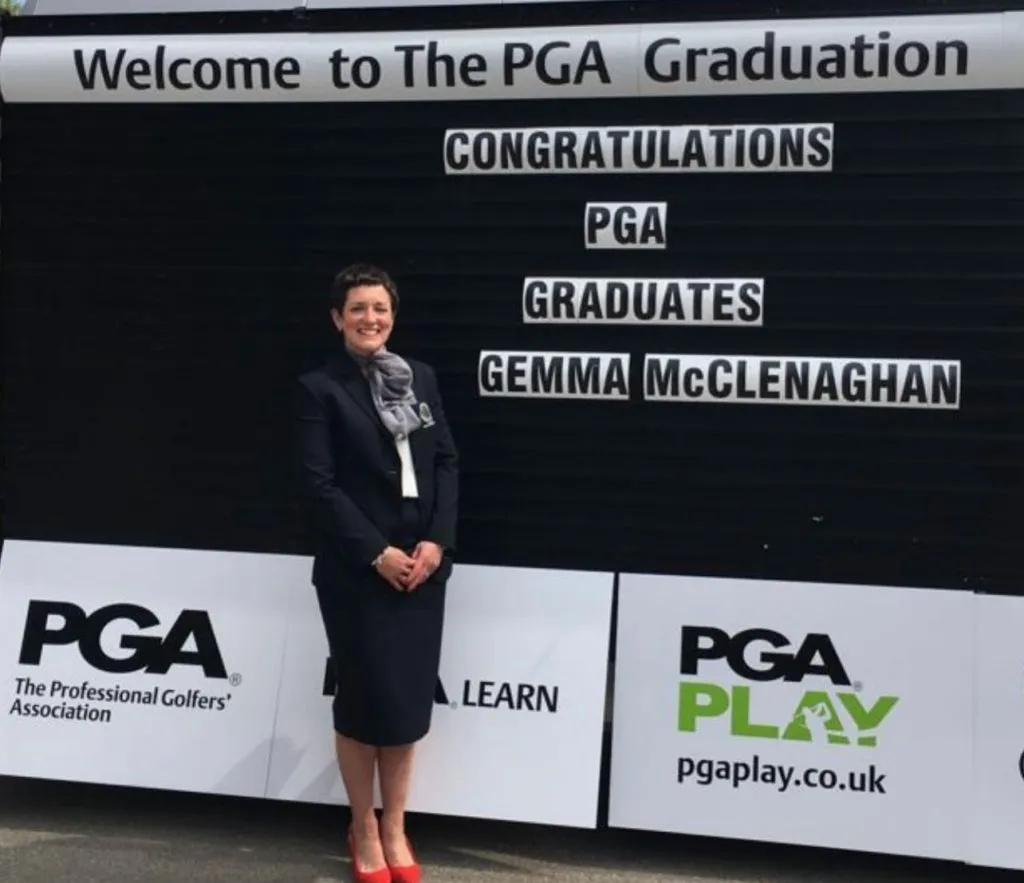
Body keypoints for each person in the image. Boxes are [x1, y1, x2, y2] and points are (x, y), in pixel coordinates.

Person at [294, 263, 459, 883]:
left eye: (380, 309)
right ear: (338, 317)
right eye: (358, 308)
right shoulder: (319, 388)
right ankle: (363, 825)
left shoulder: (419, 378)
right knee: (365, 703)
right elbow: (320, 485)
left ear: (394, 316)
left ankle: (397, 825)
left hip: (422, 568)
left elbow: (446, 462)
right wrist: (376, 552)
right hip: (358, 572)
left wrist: (437, 543)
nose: (371, 319)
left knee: (407, 706)